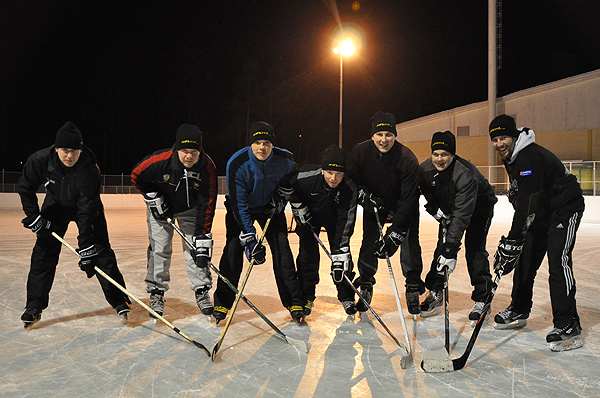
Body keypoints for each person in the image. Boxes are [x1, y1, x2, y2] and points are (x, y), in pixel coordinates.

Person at [18, 121, 131, 328]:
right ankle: (34, 306)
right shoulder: (41, 160)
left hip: (86, 208)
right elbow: (25, 187)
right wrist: (34, 217)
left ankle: (118, 300)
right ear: (57, 148)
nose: (70, 156)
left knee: (101, 252)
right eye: (65, 150)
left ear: (81, 149)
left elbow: (87, 207)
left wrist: (86, 244)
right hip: (55, 207)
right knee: (44, 254)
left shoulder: (90, 167)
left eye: (75, 150)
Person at [489, 114, 584, 352]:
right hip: (542, 211)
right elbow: (525, 196)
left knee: (558, 262)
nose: (499, 143)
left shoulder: (529, 156)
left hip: (564, 209)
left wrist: (512, 239)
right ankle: (519, 308)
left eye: (503, 138)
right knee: (525, 259)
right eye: (495, 139)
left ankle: (568, 322)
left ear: (513, 136)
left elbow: (526, 205)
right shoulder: (511, 155)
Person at [213, 121, 303, 323]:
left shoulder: (285, 159)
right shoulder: (237, 163)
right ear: (250, 144)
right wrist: (250, 238)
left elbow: (293, 177)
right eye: (257, 143)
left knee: (283, 251)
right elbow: (239, 203)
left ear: (273, 145)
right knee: (233, 249)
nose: (262, 147)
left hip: (270, 209)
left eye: (267, 143)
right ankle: (223, 301)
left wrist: (281, 196)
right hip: (241, 209)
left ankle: (294, 300)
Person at [131, 124, 218, 317]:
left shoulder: (206, 166)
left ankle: (201, 290)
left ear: (200, 151)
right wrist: (152, 196)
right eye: (185, 151)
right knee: (160, 248)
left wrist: (202, 233)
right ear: (176, 149)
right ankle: (156, 291)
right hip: (162, 211)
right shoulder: (159, 161)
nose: (189, 156)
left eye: (194, 152)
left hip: (190, 210)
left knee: (196, 248)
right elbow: (136, 174)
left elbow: (208, 201)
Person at [347, 111, 424, 315]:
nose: (384, 139)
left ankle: (413, 288)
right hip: (375, 205)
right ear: (372, 135)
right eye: (379, 134)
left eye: (388, 134)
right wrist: (363, 195)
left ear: (395, 135)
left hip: (403, 206)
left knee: (409, 244)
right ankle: (366, 284)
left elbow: (409, 198)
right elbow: (350, 180)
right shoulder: (360, 152)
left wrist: (396, 233)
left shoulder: (407, 158)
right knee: (369, 243)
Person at [418, 131, 497, 324]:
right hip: (450, 207)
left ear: (452, 155)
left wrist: (451, 249)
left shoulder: (465, 174)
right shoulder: (425, 169)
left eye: (444, 154)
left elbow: (462, 216)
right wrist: (433, 207)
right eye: (435, 154)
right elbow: (424, 189)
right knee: (440, 249)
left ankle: (482, 298)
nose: (439, 159)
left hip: (479, 208)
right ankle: (436, 291)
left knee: (474, 249)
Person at [290, 145, 359, 316]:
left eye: (339, 174)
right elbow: (291, 187)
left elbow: (346, 221)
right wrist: (299, 210)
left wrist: (341, 249)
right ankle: (306, 295)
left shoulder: (349, 188)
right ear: (322, 170)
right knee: (307, 257)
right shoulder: (306, 177)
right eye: (329, 172)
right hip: (310, 219)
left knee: (342, 258)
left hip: (336, 222)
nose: (333, 178)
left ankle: (346, 296)